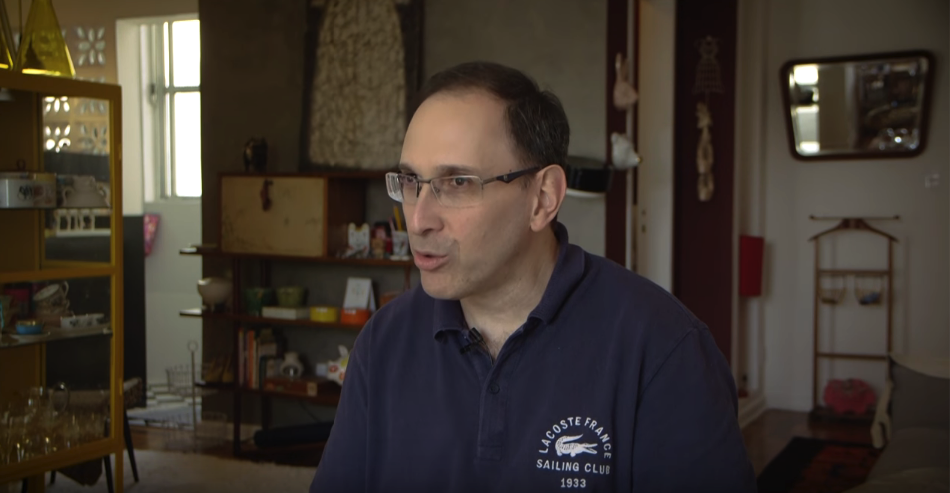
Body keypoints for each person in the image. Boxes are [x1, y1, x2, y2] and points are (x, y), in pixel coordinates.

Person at [309, 61, 756, 492]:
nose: (418, 220)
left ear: (543, 198)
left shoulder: (664, 350)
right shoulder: (384, 342)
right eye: (410, 182)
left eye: (458, 183)